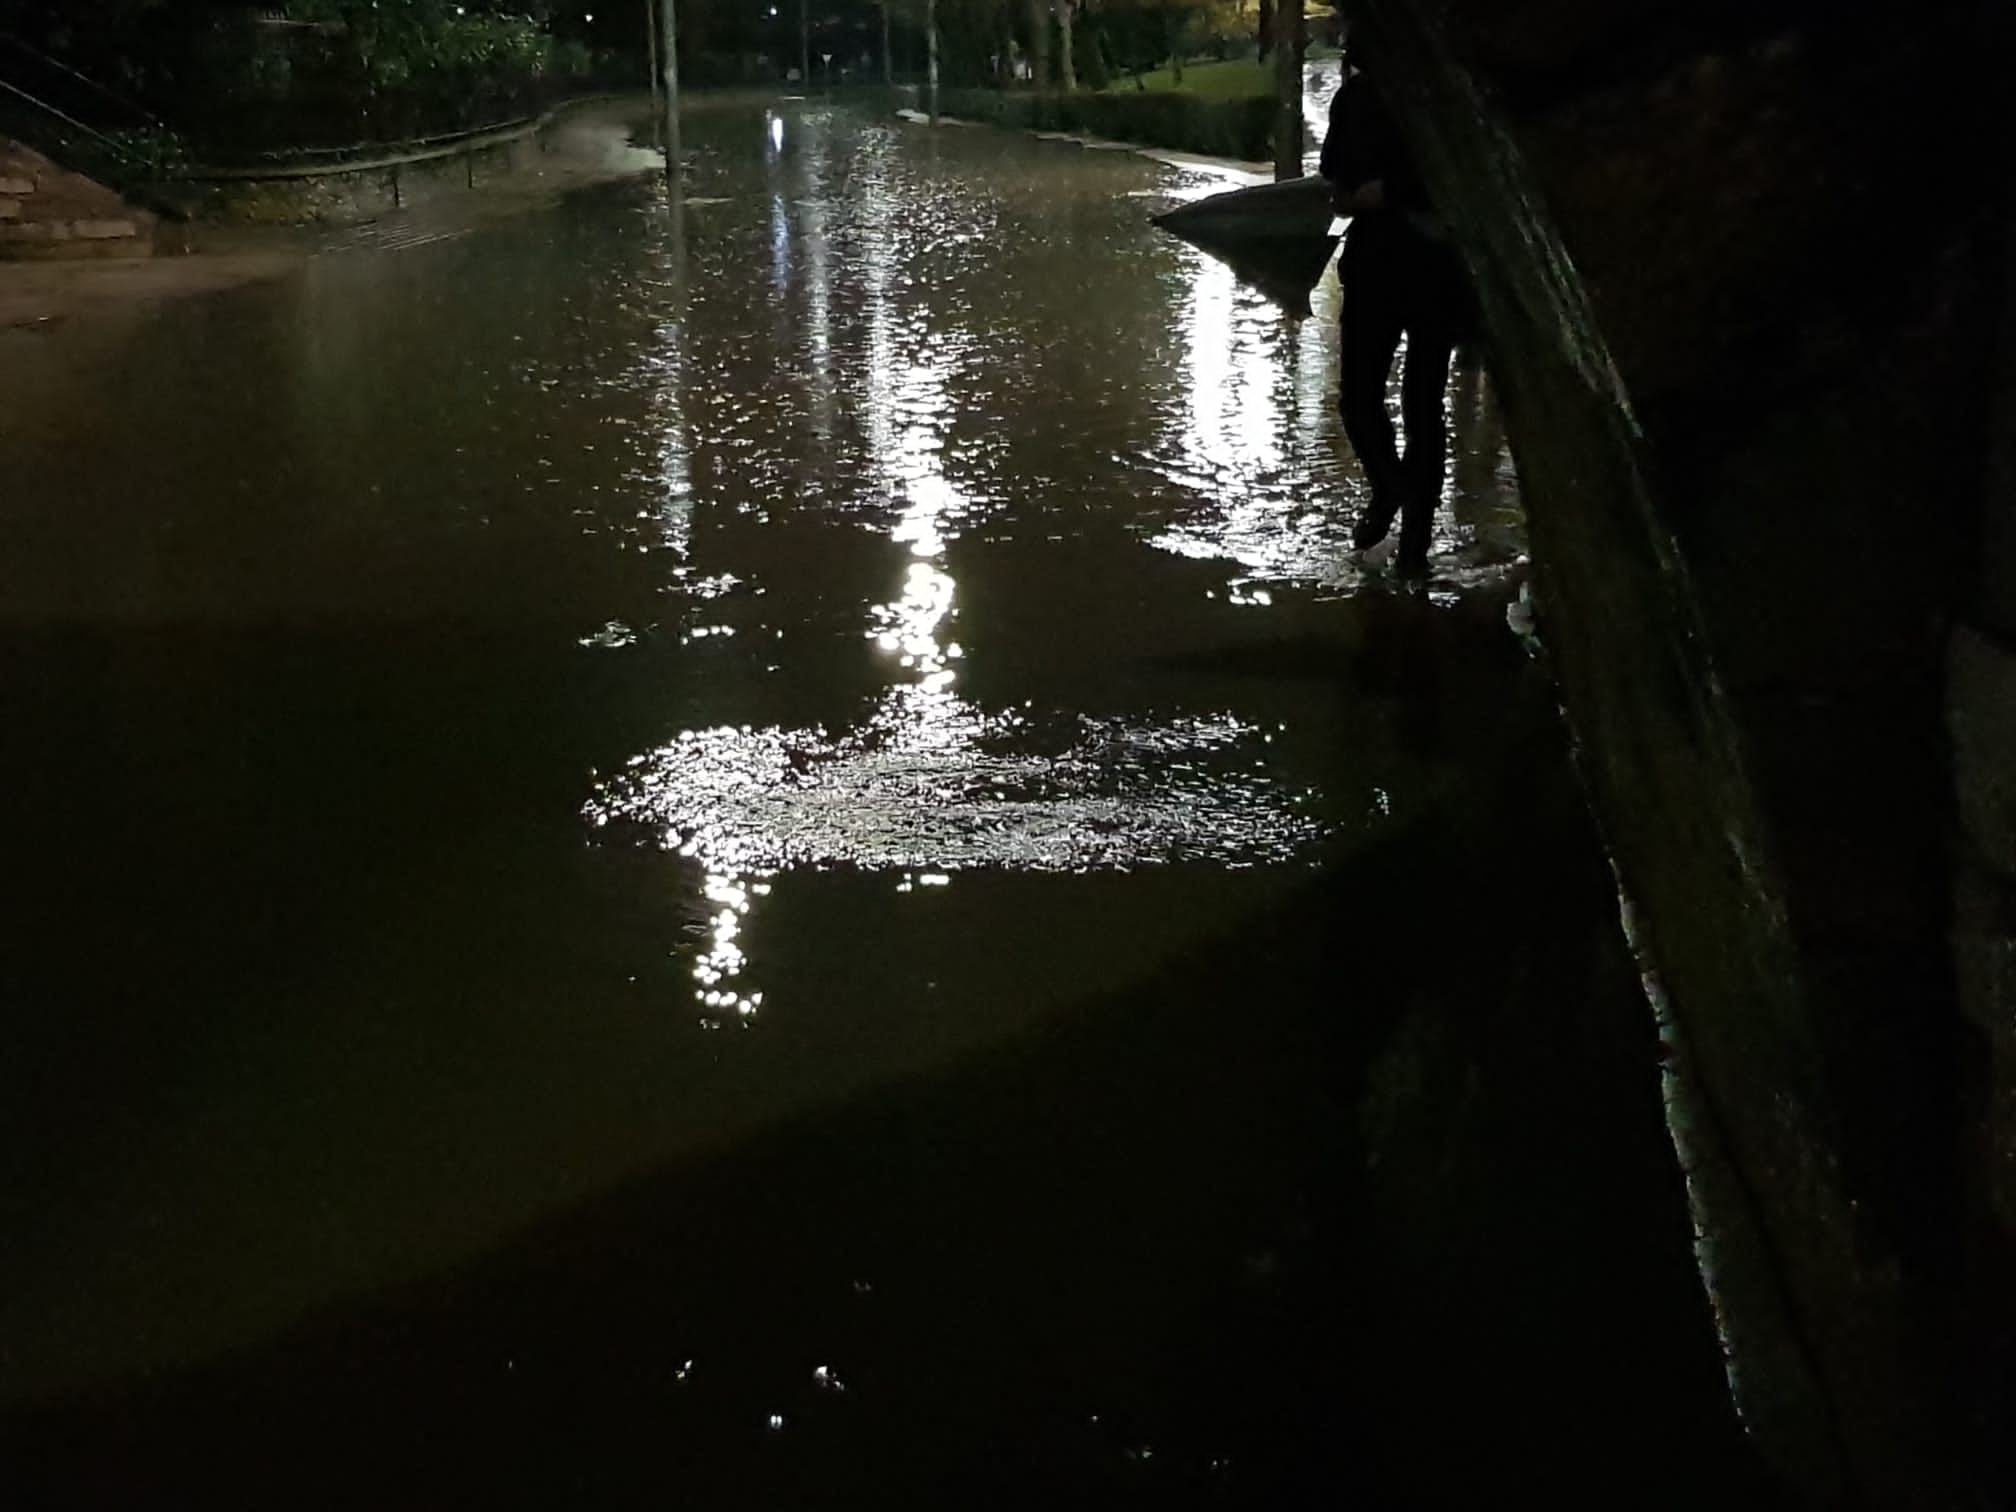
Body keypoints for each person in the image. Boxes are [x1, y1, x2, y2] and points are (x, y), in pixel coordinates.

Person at [1320, 47, 1472, 576]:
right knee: (1360, 399)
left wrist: (1385, 194)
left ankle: (1415, 545)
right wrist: (1353, 198)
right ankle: (1391, 489)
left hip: (1431, 272)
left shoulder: (1441, 98)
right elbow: (1334, 181)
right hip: (1380, 268)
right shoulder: (1355, 99)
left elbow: (1461, 173)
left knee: (1422, 406)